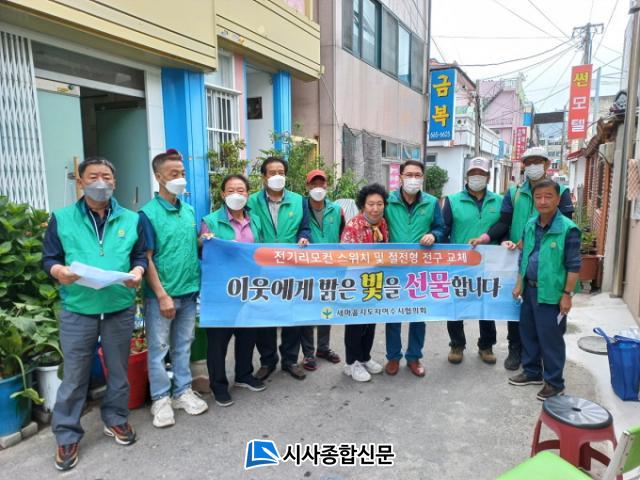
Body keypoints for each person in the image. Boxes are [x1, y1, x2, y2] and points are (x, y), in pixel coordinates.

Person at [43, 157, 147, 471]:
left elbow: (139, 255)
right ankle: (66, 434)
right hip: (79, 308)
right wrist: (59, 271)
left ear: (115, 182)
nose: (100, 182)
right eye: (93, 176)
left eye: (106, 176)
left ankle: (115, 418)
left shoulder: (132, 219)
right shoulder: (62, 218)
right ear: (80, 182)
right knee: (75, 376)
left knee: (118, 371)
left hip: (118, 306)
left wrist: (138, 271)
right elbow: (49, 258)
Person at [469, 146, 574, 371]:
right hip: (518, 259)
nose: (533, 166)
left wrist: (568, 290)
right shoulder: (514, 192)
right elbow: (504, 222)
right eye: (529, 162)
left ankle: (547, 361)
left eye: (538, 161)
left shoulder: (561, 191)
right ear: (524, 166)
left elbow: (565, 229)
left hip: (551, 262)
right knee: (517, 308)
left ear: (547, 164)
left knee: (549, 313)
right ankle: (516, 350)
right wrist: (491, 238)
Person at [139, 149, 208, 429]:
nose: (180, 178)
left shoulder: (188, 210)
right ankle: (160, 399)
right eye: (173, 174)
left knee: (183, 345)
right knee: (159, 349)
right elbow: (146, 258)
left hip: (189, 292)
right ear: (158, 177)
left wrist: (205, 240)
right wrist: (161, 294)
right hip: (162, 296)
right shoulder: (147, 214)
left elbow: (190, 246)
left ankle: (182, 392)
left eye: (182, 173)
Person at [508, 179, 580, 400]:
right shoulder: (530, 225)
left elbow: (574, 265)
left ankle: (555, 383)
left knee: (551, 339)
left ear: (558, 199)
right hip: (529, 290)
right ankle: (532, 372)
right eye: (538, 197)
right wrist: (519, 283)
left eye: (548, 196)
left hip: (552, 294)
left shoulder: (568, 229)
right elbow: (523, 256)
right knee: (528, 333)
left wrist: (567, 295)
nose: (542, 201)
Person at [200, 174, 267, 406]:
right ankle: (218, 385)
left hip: (248, 287)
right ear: (222, 194)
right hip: (221, 290)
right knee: (218, 340)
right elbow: (201, 248)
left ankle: (243, 375)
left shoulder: (255, 220)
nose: (236, 194)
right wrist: (204, 240)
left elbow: (262, 249)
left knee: (247, 334)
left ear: (248, 194)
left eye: (241, 190)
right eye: (230, 190)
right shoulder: (211, 221)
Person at [247, 157, 311, 381]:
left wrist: (304, 237)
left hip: (291, 267)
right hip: (262, 268)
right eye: (272, 172)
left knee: (291, 316)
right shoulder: (251, 201)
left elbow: (305, 228)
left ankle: (290, 360)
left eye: (281, 172)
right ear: (264, 177)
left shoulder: (298, 200)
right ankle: (268, 360)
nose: (277, 176)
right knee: (265, 317)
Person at [383, 160, 445, 378]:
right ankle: (393, 357)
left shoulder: (431, 202)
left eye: (417, 175)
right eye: (409, 174)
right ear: (400, 177)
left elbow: (441, 227)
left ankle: (414, 357)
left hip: (420, 268)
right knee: (393, 314)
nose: (413, 179)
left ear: (422, 178)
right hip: (393, 268)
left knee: (418, 314)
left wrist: (434, 235)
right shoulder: (388, 201)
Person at [442, 157, 502, 365]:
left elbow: (504, 228)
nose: (477, 177)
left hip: (489, 264)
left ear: (488, 177)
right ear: (466, 176)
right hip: (460, 264)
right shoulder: (452, 201)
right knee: (456, 306)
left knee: (487, 306)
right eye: (473, 173)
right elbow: (444, 230)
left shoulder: (499, 201)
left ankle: (486, 345)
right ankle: (457, 344)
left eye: (481, 174)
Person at [341, 183, 389, 382]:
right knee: (355, 323)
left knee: (370, 321)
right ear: (363, 205)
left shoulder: (383, 224)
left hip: (375, 281)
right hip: (356, 281)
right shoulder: (353, 225)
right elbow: (344, 255)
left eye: (379, 204)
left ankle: (364, 357)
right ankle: (351, 363)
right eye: (371, 204)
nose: (375, 208)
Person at [301, 169, 344, 371]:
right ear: (308, 186)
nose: (318, 188)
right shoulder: (301, 208)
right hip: (307, 269)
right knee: (308, 311)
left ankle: (323, 348)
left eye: (322, 184)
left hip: (331, 269)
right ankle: (308, 354)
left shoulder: (336, 210)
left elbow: (343, 236)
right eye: (314, 184)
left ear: (327, 186)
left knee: (327, 310)